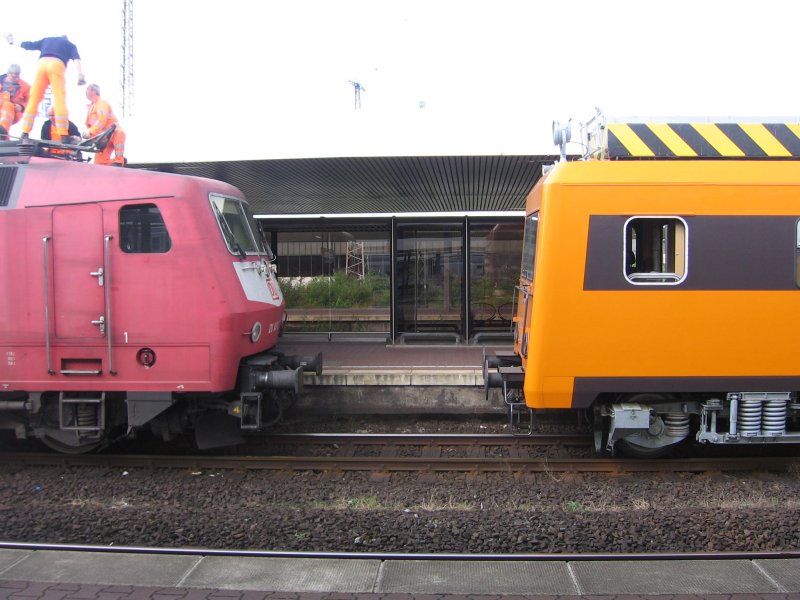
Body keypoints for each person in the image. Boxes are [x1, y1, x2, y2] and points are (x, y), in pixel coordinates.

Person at [15, 35, 85, 143]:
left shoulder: (47, 40)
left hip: (42, 65)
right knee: (59, 99)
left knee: (34, 99)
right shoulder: (69, 45)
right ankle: (64, 135)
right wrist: (80, 74)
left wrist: (14, 42)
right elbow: (76, 59)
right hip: (56, 65)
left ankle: (24, 133)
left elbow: (29, 45)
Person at [84, 83, 125, 166]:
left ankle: (119, 161)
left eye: (87, 90)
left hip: (113, 134)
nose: (85, 92)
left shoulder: (102, 103)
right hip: (103, 139)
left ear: (93, 91)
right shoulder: (92, 107)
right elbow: (91, 124)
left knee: (119, 134)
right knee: (99, 164)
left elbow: (102, 120)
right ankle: (115, 163)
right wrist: (91, 138)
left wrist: (90, 132)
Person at [0, 64, 30, 137]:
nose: (14, 79)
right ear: (7, 74)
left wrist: (22, 107)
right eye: (12, 76)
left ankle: (2, 134)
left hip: (11, 112)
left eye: (16, 76)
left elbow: (31, 102)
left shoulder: (25, 87)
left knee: (7, 105)